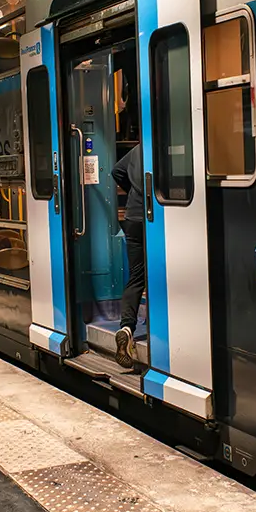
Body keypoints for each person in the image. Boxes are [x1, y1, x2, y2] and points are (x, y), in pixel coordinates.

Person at [111, 144, 145, 369]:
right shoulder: (166, 145)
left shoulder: (137, 150)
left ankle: (126, 328)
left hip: (132, 218)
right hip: (153, 217)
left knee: (136, 277)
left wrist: (133, 189)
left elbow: (116, 171)